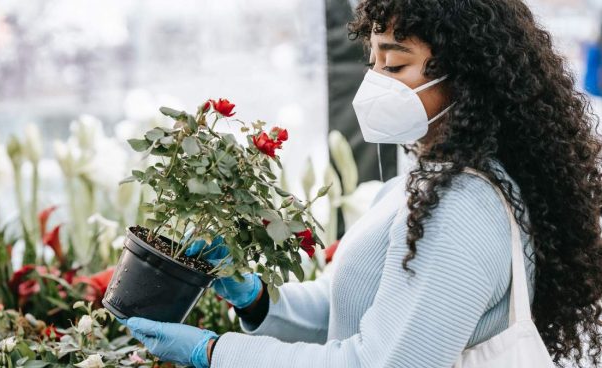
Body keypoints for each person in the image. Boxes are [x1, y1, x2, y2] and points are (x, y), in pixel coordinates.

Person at [121, 1, 602, 367]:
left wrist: (215, 352)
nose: (374, 83)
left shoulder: (463, 204)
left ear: (470, 77)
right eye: (373, 63)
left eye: (394, 67)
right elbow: (352, 305)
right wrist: (260, 299)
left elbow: (379, 361)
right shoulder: (426, 175)